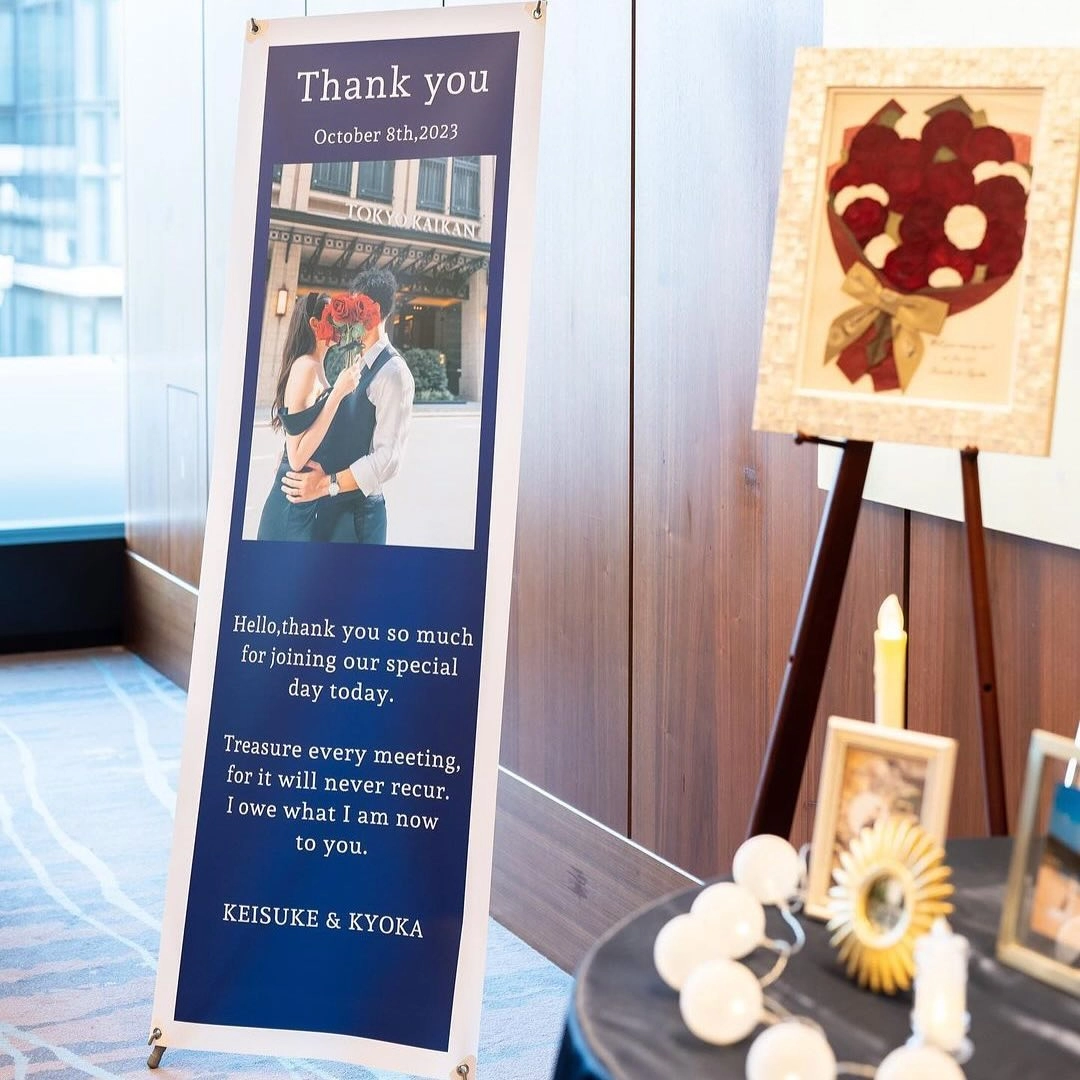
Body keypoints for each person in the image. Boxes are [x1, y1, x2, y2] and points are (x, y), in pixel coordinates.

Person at [280, 268, 415, 545]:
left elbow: (388, 459)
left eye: (356, 307)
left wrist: (324, 484)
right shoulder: (355, 361)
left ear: (374, 311)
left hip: (360, 516)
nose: (348, 315)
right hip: (331, 508)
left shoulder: (394, 373)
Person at [256, 291, 361, 541]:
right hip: (290, 507)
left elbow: (305, 432)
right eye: (332, 317)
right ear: (314, 324)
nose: (339, 323)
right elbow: (296, 458)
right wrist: (338, 394)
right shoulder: (306, 367)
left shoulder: (316, 366)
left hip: (304, 501)